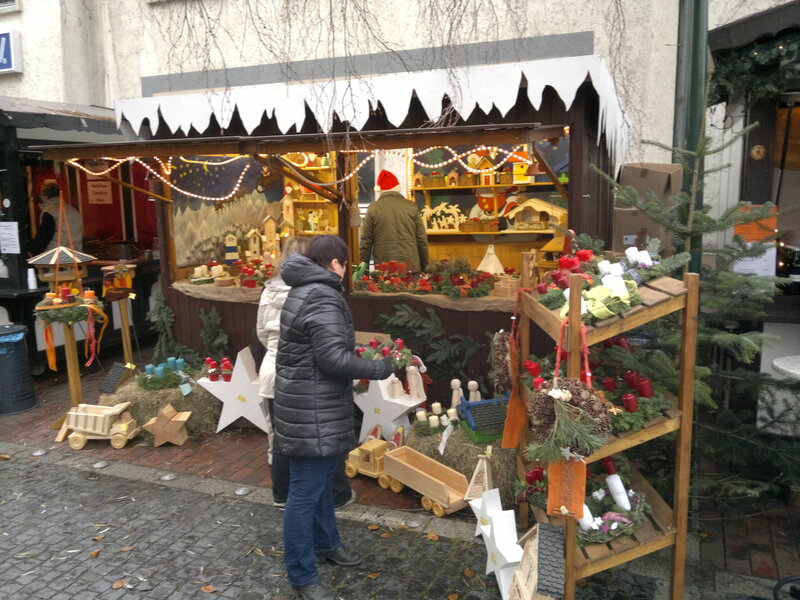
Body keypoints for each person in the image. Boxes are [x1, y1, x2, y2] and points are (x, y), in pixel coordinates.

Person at [273, 234, 393, 600]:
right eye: (346, 264)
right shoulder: (322, 294)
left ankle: (327, 545)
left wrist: (361, 351)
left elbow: (324, 346)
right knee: (305, 493)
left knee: (323, 483)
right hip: (312, 410)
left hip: (312, 405)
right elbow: (332, 360)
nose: (346, 271)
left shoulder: (306, 289)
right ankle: (302, 576)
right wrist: (380, 367)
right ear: (337, 264)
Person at [256, 236, 355, 510]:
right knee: (320, 439)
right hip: (300, 375)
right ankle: (333, 496)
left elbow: (262, 332)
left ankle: (281, 494)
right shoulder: (313, 291)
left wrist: (277, 351)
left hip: (272, 370)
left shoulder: (269, 290)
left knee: (281, 438)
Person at [359, 169, 429, 272]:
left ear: (381, 190)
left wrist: (363, 270)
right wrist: (425, 266)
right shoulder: (411, 207)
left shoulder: (373, 209)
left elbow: (366, 243)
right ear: (397, 188)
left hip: (384, 266)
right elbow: (421, 239)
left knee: (387, 288)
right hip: (410, 265)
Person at [29, 181, 84, 256]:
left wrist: (32, 250)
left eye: (41, 196)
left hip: (57, 255)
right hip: (76, 253)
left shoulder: (49, 212)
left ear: (45, 197)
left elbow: (44, 236)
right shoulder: (72, 210)